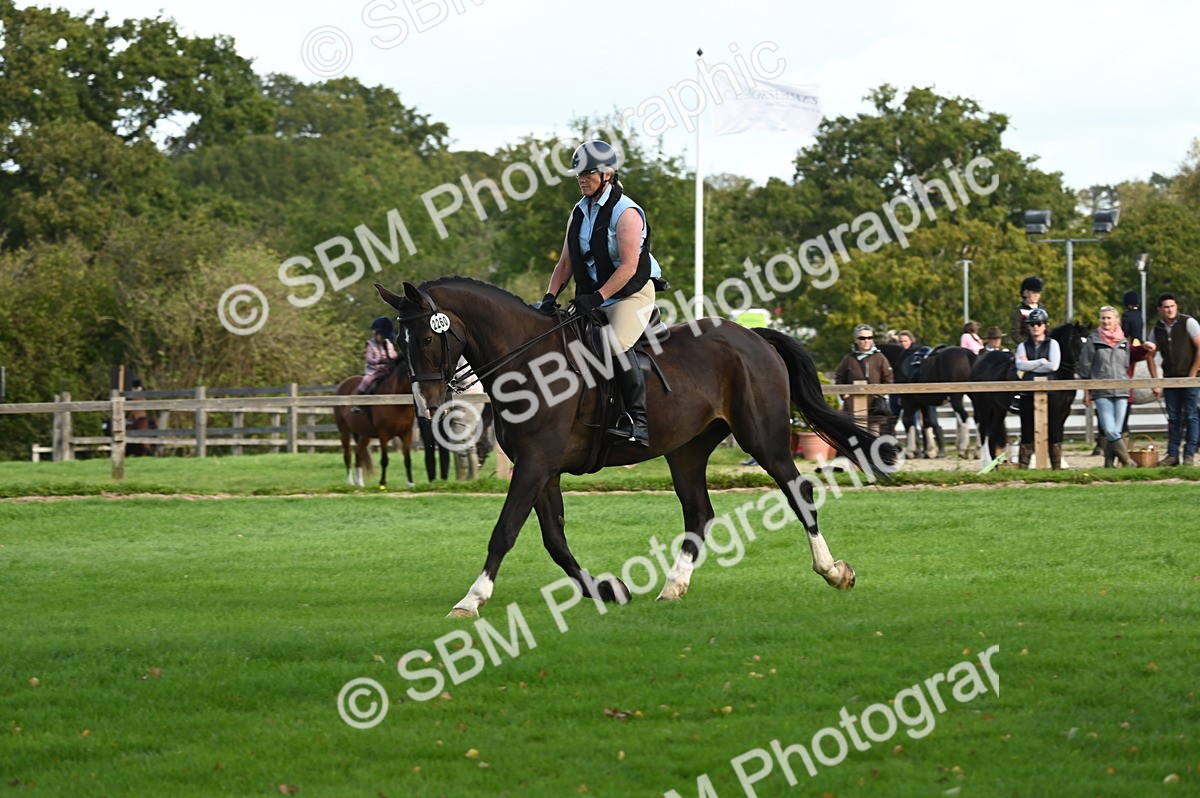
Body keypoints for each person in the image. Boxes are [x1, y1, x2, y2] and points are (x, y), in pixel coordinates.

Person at [535, 140, 664, 447]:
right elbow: (566, 261)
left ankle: (638, 423)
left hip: (630, 294)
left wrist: (598, 297)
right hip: (594, 296)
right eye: (578, 173)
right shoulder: (578, 212)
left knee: (613, 344)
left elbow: (630, 266)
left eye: (588, 173)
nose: (582, 179)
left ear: (608, 174)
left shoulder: (627, 212)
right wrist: (550, 297)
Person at [1077, 306, 1155, 468]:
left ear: (1116, 320)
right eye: (1103, 318)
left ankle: (1108, 465)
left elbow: (1130, 358)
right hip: (1101, 391)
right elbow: (1084, 367)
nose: (1106, 321)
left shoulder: (1123, 341)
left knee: (1116, 432)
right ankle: (1128, 462)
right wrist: (1089, 386)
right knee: (1110, 430)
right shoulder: (1093, 340)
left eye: (1109, 318)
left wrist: (1144, 347)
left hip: (1122, 390)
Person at [1146, 293, 1200, 466]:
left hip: (1190, 378)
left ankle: (1189, 453)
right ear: (1160, 309)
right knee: (1174, 418)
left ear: (1176, 307)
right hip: (1170, 378)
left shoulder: (1188, 323)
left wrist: (1192, 374)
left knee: (1191, 416)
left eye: (1172, 306)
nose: (1169, 310)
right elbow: (1150, 354)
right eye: (1166, 307)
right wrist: (1155, 380)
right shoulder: (1157, 329)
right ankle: (1172, 454)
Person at [1015, 307, 1064, 468]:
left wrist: (1031, 366)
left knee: (1054, 430)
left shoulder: (1053, 344)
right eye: (1032, 324)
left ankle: (1056, 466)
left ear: (1045, 325)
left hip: (1051, 392)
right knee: (1027, 430)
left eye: (1039, 323)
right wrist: (1041, 362)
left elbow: (1054, 366)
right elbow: (1020, 364)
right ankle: (1023, 465)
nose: (1036, 327)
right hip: (1028, 392)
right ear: (1028, 327)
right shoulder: (1023, 345)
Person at [835, 324, 893, 435]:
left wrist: (880, 394)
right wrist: (844, 395)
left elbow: (889, 378)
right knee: (856, 438)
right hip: (853, 406)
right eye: (862, 338)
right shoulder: (849, 358)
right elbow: (839, 377)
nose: (866, 341)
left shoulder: (880, 357)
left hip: (874, 406)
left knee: (873, 437)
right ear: (856, 340)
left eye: (869, 338)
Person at [352, 316, 398, 413]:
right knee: (366, 381)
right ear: (376, 333)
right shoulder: (370, 344)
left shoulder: (388, 344)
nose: (383, 339)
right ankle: (358, 403)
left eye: (385, 337)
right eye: (382, 337)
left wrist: (393, 359)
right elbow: (369, 359)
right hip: (375, 370)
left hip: (388, 369)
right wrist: (379, 361)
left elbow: (394, 354)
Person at [1010, 276, 1044, 347]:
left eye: (1038, 293)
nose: (1036, 295)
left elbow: (1046, 329)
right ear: (1025, 293)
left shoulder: (1042, 309)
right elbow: (1015, 333)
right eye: (1033, 292)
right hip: (1025, 345)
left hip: (1041, 344)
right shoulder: (1019, 311)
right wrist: (1026, 345)